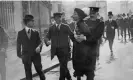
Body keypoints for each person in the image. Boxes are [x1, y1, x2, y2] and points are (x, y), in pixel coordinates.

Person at [72, 7, 104, 80]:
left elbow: (96, 36)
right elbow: (77, 32)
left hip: (91, 51)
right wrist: (76, 36)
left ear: (97, 14)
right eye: (91, 13)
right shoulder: (85, 22)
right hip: (81, 51)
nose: (91, 15)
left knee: (90, 72)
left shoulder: (100, 23)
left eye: (93, 13)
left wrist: (85, 38)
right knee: (79, 72)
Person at [44, 12, 75, 80]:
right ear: (55, 19)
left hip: (65, 50)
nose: (59, 19)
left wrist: (77, 44)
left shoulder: (66, 26)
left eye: (60, 17)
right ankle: (69, 78)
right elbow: (47, 37)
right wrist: (47, 41)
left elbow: (72, 36)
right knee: (63, 65)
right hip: (56, 51)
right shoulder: (51, 28)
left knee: (62, 65)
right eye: (58, 17)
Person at [17, 15, 45, 80]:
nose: (33, 22)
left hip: (36, 55)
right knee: (28, 74)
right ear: (28, 22)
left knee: (39, 70)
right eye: (32, 21)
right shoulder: (20, 33)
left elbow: (40, 42)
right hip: (26, 56)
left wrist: (39, 47)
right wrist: (20, 55)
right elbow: (18, 45)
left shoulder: (36, 32)